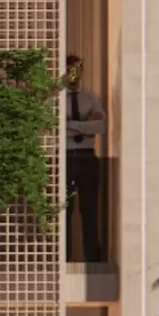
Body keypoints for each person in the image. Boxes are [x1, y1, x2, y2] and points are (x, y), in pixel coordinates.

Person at [64, 55, 108, 264]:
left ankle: (93, 261)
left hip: (87, 158)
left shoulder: (91, 98)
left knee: (90, 211)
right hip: (65, 158)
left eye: (77, 69)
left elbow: (100, 127)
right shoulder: (54, 100)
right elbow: (54, 129)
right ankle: (62, 262)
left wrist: (71, 125)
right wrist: (84, 124)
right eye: (70, 69)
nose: (74, 74)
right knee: (64, 211)